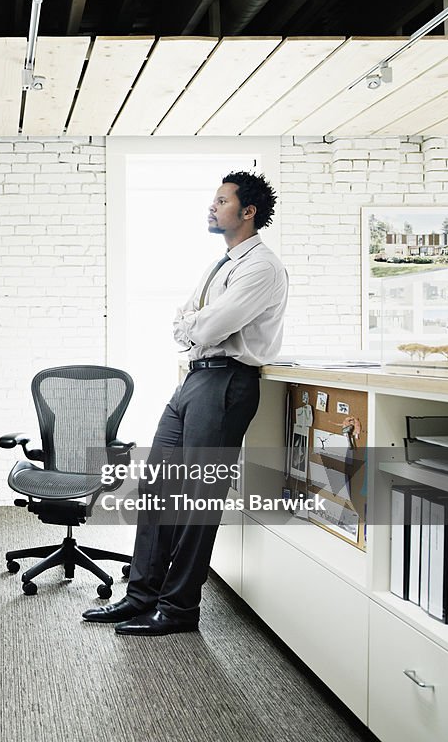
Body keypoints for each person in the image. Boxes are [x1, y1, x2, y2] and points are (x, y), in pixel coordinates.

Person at [83, 171, 288, 636]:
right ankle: (140, 597)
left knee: (199, 499)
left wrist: (194, 324)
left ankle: (178, 609)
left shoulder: (261, 267)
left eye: (221, 201)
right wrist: (193, 324)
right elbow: (184, 323)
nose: (212, 207)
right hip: (194, 382)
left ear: (248, 211)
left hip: (228, 385)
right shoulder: (221, 265)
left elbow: (205, 329)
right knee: (157, 488)